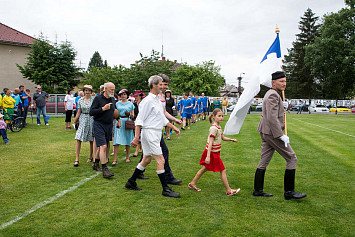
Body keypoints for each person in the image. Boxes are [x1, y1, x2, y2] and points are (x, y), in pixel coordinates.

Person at [253, 71, 307, 200]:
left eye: (285, 81)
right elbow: (272, 118)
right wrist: (280, 135)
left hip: (266, 132)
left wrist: (283, 107)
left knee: (263, 161)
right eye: (281, 81)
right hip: (272, 133)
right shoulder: (272, 95)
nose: (284, 84)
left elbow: (274, 113)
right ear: (273, 83)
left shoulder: (274, 94)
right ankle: (289, 192)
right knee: (291, 158)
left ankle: (258, 190)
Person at [125, 75, 181, 198]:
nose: (162, 87)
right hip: (150, 133)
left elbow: (162, 118)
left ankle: (131, 181)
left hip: (154, 132)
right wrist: (135, 138)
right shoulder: (147, 101)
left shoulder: (156, 100)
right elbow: (139, 120)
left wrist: (174, 126)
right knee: (161, 160)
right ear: (153, 85)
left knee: (147, 159)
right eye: (160, 84)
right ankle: (165, 189)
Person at [188, 108, 240, 196]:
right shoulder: (213, 128)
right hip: (212, 153)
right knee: (223, 170)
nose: (221, 118)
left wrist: (231, 139)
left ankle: (192, 184)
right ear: (214, 116)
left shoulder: (219, 127)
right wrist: (208, 156)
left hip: (215, 152)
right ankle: (229, 190)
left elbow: (222, 138)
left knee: (204, 168)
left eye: (222, 116)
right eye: (219, 116)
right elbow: (210, 142)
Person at [90, 82, 117, 178]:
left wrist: (118, 120)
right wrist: (103, 108)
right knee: (103, 146)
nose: (113, 91)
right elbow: (91, 112)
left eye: (113, 89)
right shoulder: (98, 99)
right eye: (111, 89)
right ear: (105, 89)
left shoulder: (113, 99)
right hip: (99, 124)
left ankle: (96, 164)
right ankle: (105, 169)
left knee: (103, 145)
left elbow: (115, 111)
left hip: (109, 125)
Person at [73, 85, 95, 167]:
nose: (87, 92)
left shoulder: (94, 100)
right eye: (86, 90)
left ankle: (90, 156)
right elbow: (79, 111)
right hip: (82, 119)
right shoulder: (80, 100)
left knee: (91, 139)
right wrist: (75, 119)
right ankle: (76, 159)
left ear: (91, 91)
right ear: (84, 91)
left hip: (91, 119)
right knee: (78, 138)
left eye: (89, 90)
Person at [112, 89, 135, 165]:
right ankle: (114, 159)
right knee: (116, 140)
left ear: (127, 95)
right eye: (121, 94)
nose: (123, 96)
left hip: (127, 121)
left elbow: (133, 115)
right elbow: (115, 113)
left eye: (124, 94)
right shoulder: (117, 104)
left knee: (128, 140)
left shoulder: (130, 104)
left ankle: (127, 157)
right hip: (119, 121)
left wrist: (129, 114)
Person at [132, 91, 145, 157]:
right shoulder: (134, 104)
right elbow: (133, 112)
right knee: (137, 135)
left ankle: (136, 151)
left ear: (140, 96)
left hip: (142, 121)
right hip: (136, 121)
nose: (136, 97)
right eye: (135, 96)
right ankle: (140, 148)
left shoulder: (143, 103)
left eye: (137, 96)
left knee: (139, 136)